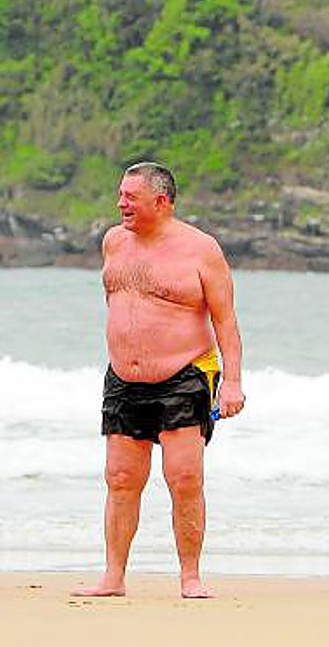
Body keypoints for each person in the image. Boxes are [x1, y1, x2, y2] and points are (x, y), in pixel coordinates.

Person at [74, 162, 244, 599]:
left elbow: (226, 321)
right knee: (120, 477)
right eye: (121, 195)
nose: (120, 203)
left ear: (161, 201)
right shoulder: (113, 242)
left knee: (184, 478)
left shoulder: (201, 250)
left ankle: (190, 576)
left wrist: (232, 382)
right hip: (123, 378)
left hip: (183, 375)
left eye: (130, 197)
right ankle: (113, 576)